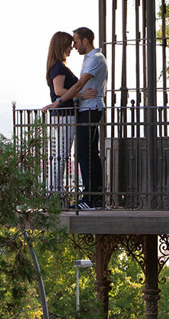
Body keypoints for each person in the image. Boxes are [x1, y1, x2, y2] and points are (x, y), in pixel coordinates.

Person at [44, 26, 106, 209]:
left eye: (75, 41)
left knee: (83, 154)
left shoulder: (94, 59)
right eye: (70, 44)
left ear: (84, 41)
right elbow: (72, 88)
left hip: (87, 110)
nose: (73, 46)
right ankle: (86, 197)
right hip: (74, 113)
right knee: (79, 154)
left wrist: (60, 100)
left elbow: (79, 85)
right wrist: (73, 97)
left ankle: (90, 198)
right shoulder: (75, 63)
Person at [43, 31, 78, 202]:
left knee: (59, 153)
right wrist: (81, 94)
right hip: (65, 114)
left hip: (60, 115)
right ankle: (54, 190)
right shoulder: (59, 67)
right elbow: (59, 91)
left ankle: (54, 189)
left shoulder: (55, 66)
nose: (71, 48)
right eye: (68, 44)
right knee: (62, 154)